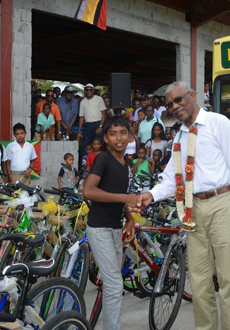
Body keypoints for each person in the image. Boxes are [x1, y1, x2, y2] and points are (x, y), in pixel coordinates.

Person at [137, 81, 230, 330]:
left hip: (221, 204)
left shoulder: (218, 123)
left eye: (179, 100)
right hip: (192, 210)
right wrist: (151, 195)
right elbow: (170, 179)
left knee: (228, 280)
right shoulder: (179, 137)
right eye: (169, 104)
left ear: (192, 95)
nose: (175, 106)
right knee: (199, 282)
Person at [82, 116, 138, 330]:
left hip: (115, 228)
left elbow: (120, 194)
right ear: (105, 138)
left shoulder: (127, 163)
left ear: (130, 135)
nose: (119, 138)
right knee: (115, 285)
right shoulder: (103, 159)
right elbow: (88, 191)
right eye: (113, 134)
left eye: (123, 132)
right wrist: (125, 199)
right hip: (99, 228)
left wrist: (129, 216)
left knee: (113, 284)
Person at [78, 84, 107, 157]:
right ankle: (85, 164)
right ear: (85, 91)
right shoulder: (83, 102)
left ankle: (99, 164)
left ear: (93, 90)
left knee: (98, 146)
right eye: (87, 90)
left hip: (98, 124)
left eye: (90, 89)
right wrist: (79, 131)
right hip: (88, 125)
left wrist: (100, 126)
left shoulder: (99, 99)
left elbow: (104, 114)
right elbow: (81, 117)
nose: (89, 91)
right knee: (86, 146)